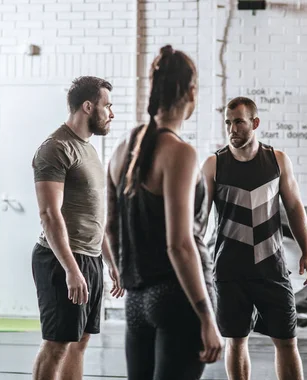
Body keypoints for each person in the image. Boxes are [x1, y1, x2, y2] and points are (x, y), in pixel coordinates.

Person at [105, 45, 223, 379]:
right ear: (191, 91)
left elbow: (110, 228)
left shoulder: (122, 151)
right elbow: (180, 244)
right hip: (177, 298)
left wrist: (125, 273)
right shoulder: (180, 153)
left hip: (137, 302)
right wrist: (206, 316)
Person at [201, 96, 307, 380]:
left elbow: (294, 207)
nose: (232, 129)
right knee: (236, 340)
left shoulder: (277, 160)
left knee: (287, 340)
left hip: (271, 268)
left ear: (254, 123)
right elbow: (199, 220)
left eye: (238, 122)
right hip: (229, 270)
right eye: (228, 123)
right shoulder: (213, 165)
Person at [31, 76, 125, 380]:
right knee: (57, 344)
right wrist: (72, 269)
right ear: (88, 106)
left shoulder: (89, 150)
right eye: (106, 105)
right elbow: (49, 214)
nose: (111, 113)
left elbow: (95, 215)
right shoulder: (54, 149)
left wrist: (110, 261)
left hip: (90, 258)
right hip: (62, 260)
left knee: (79, 342)